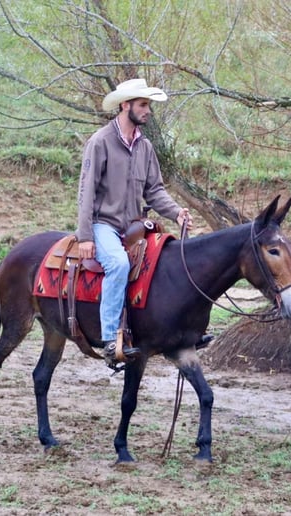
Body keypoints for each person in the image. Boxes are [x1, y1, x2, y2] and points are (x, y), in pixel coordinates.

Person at [75, 78, 192, 366]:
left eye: (148, 105)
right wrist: (85, 236)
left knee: (166, 263)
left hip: (134, 226)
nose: (148, 110)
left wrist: (176, 212)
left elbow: (155, 191)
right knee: (118, 264)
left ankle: (177, 333)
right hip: (104, 225)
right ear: (125, 105)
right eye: (142, 104)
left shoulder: (145, 146)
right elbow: (86, 192)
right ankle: (109, 340)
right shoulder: (100, 142)